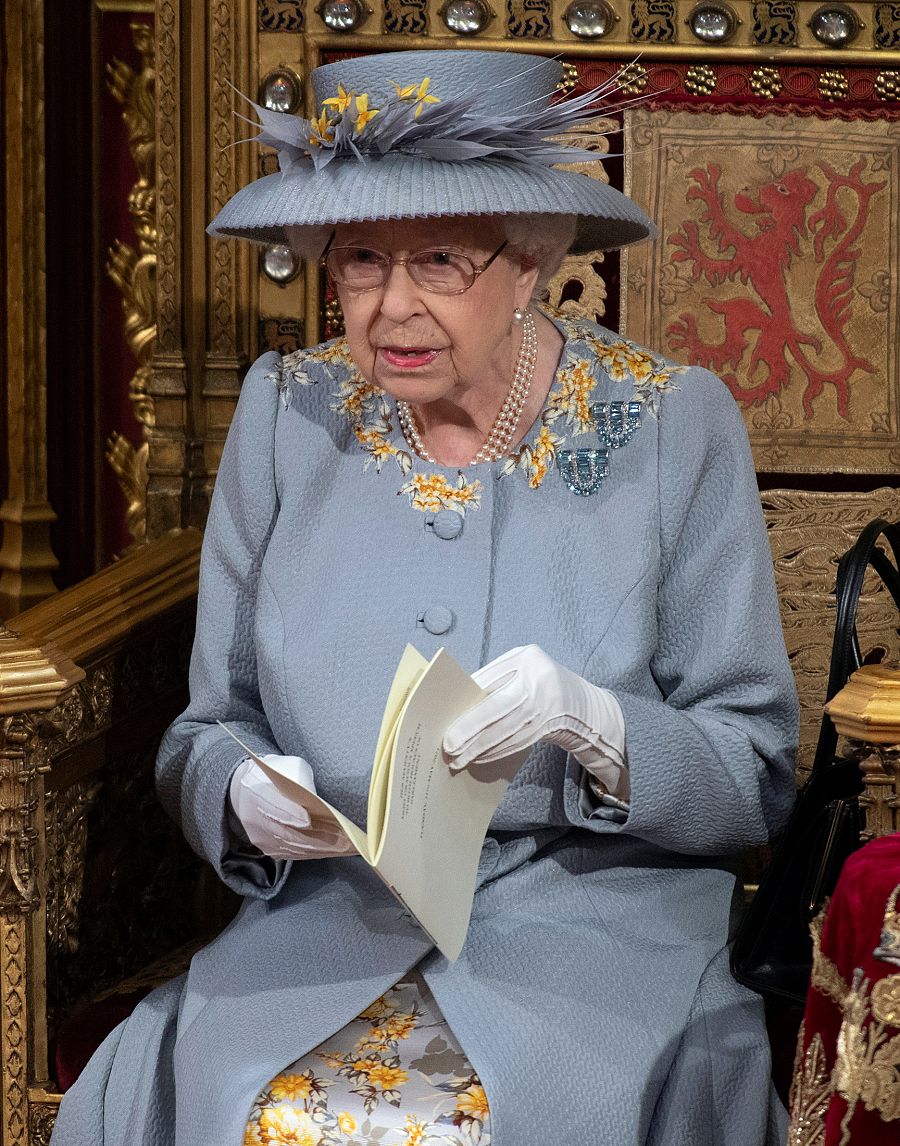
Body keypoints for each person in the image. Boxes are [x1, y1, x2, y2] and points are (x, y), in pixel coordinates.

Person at [52, 48, 798, 1146]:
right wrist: (240, 797)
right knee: (237, 1104)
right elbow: (208, 728)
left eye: (439, 259)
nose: (391, 307)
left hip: (596, 937)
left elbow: (754, 774)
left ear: (531, 259)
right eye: (359, 260)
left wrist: (598, 727)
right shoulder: (286, 415)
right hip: (321, 926)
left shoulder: (669, 423)